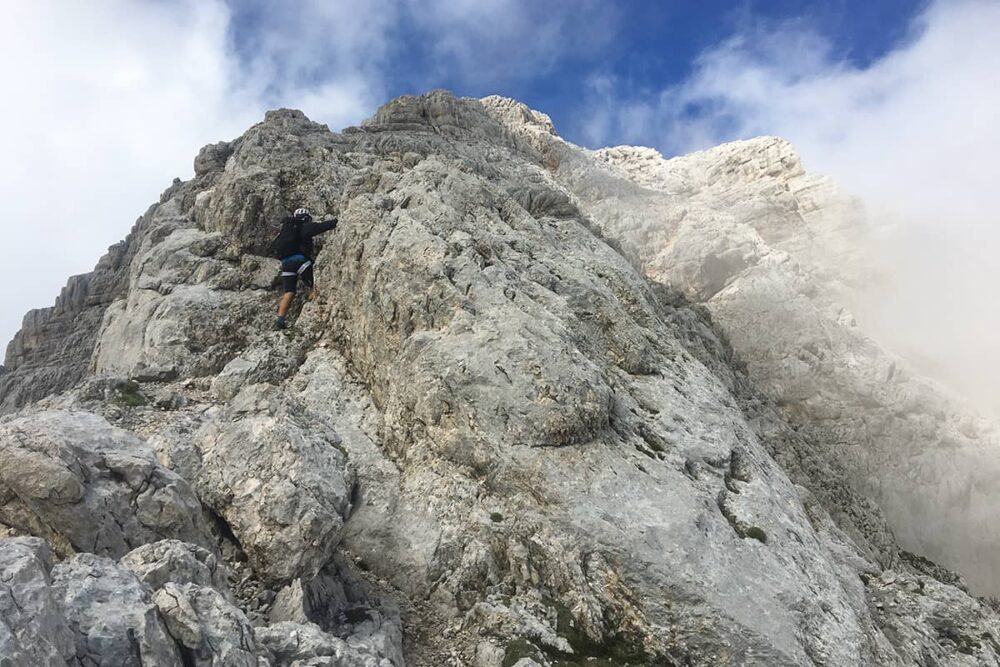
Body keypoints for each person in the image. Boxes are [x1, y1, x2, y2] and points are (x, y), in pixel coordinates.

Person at [271, 207, 338, 330]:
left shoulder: (285, 231)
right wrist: (338, 221)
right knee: (315, 283)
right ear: (306, 218)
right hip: (300, 262)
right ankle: (313, 302)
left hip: (286, 264)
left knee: (289, 292)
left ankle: (280, 320)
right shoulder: (304, 227)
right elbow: (322, 226)